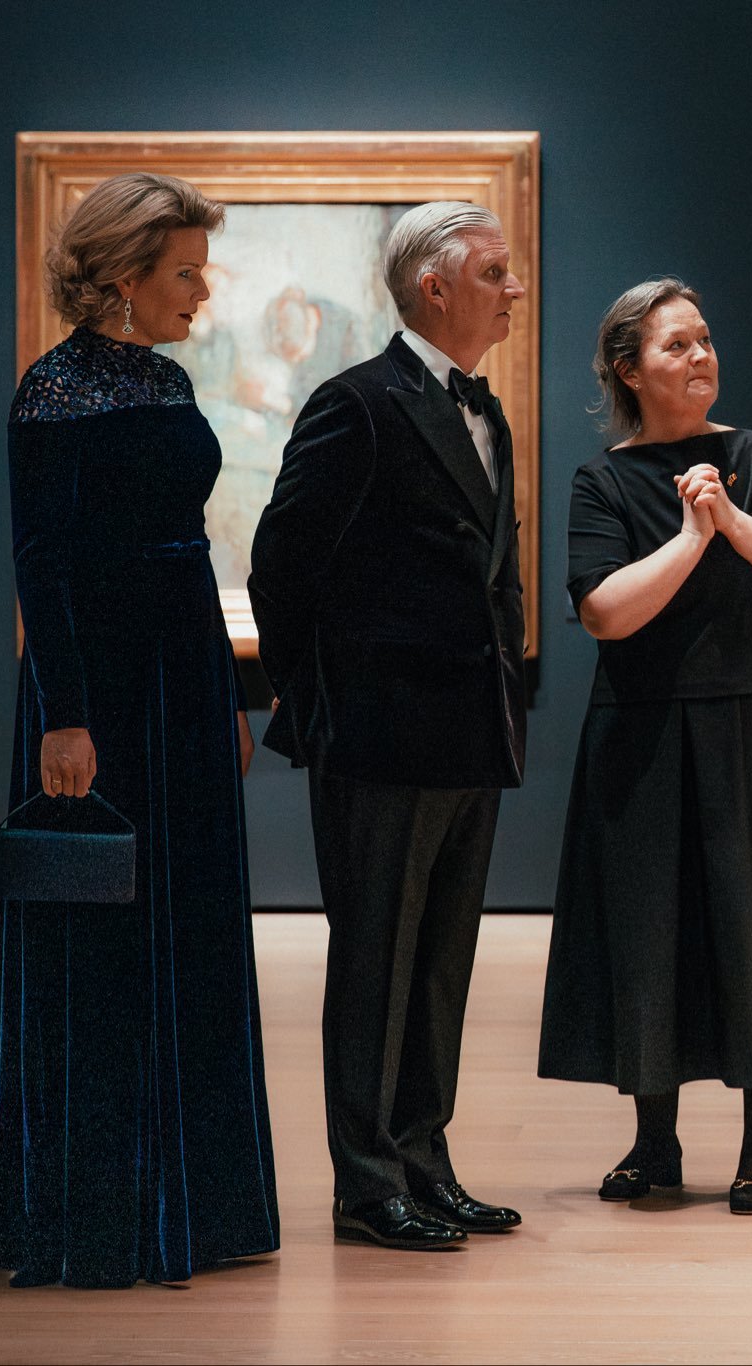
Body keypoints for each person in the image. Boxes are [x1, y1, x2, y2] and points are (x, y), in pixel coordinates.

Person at [0, 173, 278, 1287]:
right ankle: (94, 1206)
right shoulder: (51, 391)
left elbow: (190, 547)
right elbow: (41, 566)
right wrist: (66, 717)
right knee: (97, 934)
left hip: (183, 680)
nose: (202, 290)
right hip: (100, 691)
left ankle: (192, 1200)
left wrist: (225, 696)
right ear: (124, 276)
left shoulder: (164, 377)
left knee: (189, 919)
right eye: (185, 271)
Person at [538, 278, 752, 1215]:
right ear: (629, 370)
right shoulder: (603, 481)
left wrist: (730, 518)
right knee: (648, 932)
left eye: (705, 340)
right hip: (644, 735)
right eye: (676, 346)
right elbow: (605, 612)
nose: (700, 358)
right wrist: (693, 536)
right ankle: (655, 1142)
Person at [249, 201, 528, 1250]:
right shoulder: (358, 403)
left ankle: (423, 1159)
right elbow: (281, 566)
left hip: (469, 732)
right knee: (374, 962)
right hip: (379, 736)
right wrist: (317, 701)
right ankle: (367, 1185)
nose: (513, 289)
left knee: (441, 965)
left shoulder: (488, 414)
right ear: (433, 287)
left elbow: (494, 577)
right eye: (494, 273)